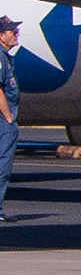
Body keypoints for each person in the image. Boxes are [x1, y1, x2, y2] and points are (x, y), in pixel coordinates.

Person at [0, 15, 19, 223]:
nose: (16, 35)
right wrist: (8, 117)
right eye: (12, 32)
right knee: (3, 164)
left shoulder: (5, 57)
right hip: (3, 121)